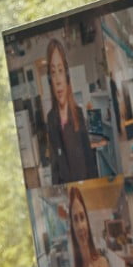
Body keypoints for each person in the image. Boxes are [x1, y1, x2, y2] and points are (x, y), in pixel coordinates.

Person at [39, 38, 99, 183]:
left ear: (67, 76)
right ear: (50, 81)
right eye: (53, 73)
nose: (58, 80)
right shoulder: (51, 118)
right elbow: (54, 165)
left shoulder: (77, 112)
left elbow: (89, 160)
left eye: (60, 71)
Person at [64, 188, 123, 267]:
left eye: (82, 217)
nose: (80, 226)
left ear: (87, 221)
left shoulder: (103, 265)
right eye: (75, 219)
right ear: (72, 228)